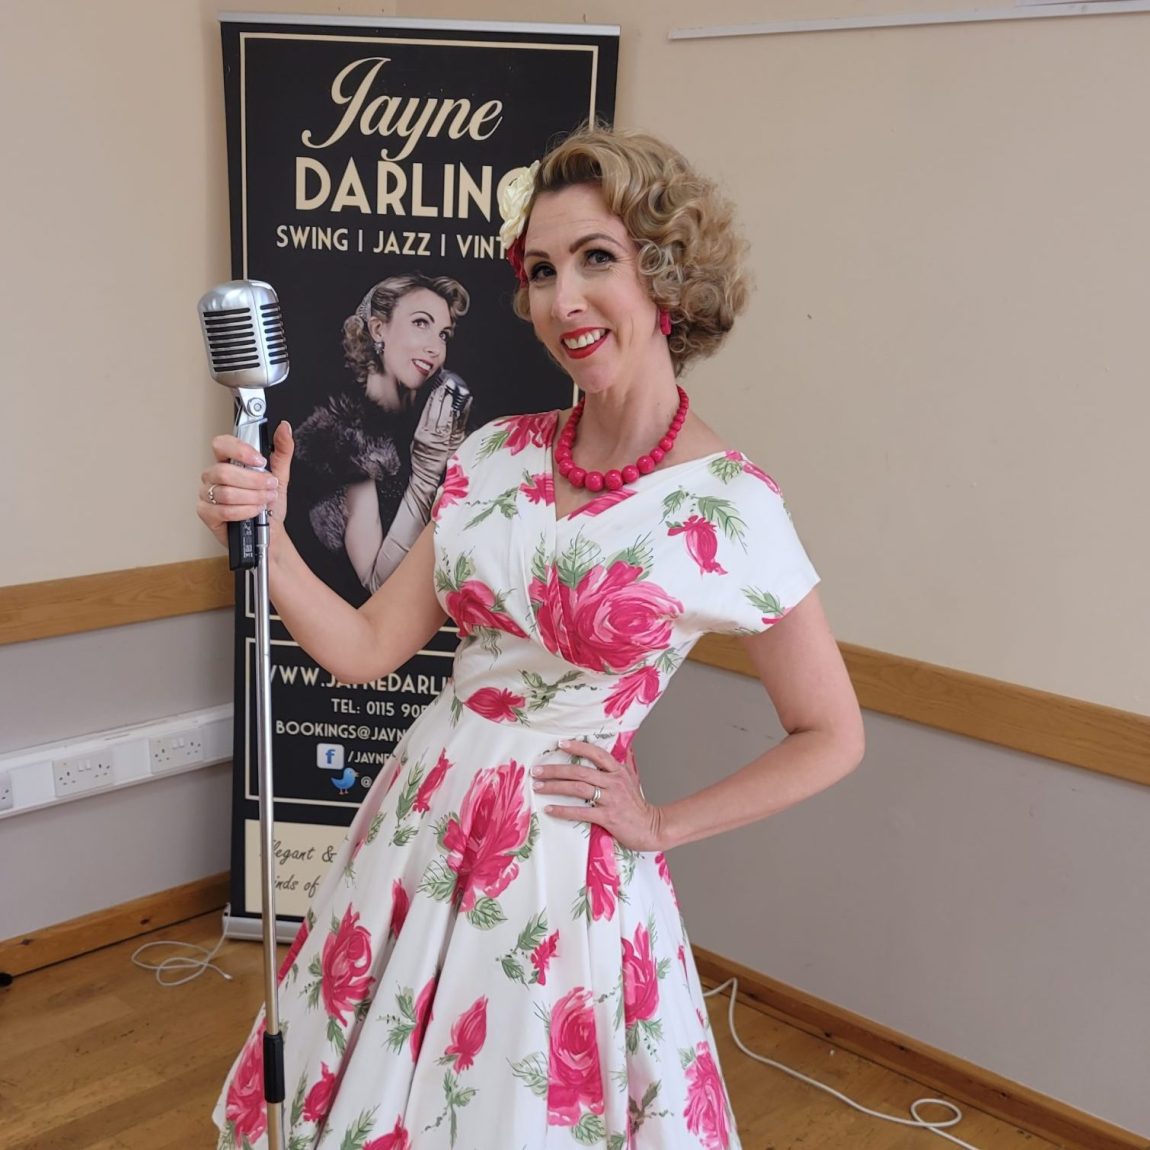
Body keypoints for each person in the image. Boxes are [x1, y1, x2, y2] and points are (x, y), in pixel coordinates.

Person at [198, 125, 864, 1150]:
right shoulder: (491, 455)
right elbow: (371, 644)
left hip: (560, 865)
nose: (562, 300)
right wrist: (271, 536)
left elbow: (831, 731)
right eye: (542, 269)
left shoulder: (730, 506)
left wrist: (665, 824)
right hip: (420, 824)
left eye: (597, 259)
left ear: (666, 277)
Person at [290, 273, 473, 600]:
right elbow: (379, 586)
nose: (435, 347)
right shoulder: (346, 438)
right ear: (378, 330)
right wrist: (428, 473)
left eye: (443, 334)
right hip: (353, 635)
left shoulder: (426, 421)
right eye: (421, 323)